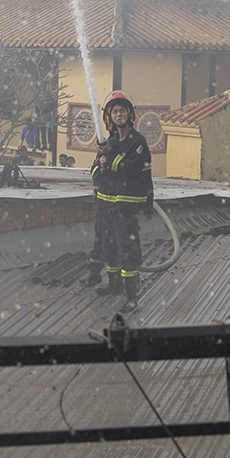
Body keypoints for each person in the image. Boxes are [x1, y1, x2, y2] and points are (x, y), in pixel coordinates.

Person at [82, 90, 154, 312]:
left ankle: (131, 298)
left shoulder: (137, 142)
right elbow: (94, 171)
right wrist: (102, 166)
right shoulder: (109, 141)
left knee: (127, 250)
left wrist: (111, 155)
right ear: (109, 116)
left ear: (129, 114)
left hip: (125, 207)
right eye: (115, 111)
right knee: (108, 245)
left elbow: (132, 170)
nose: (119, 114)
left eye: (122, 110)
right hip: (105, 206)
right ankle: (114, 285)